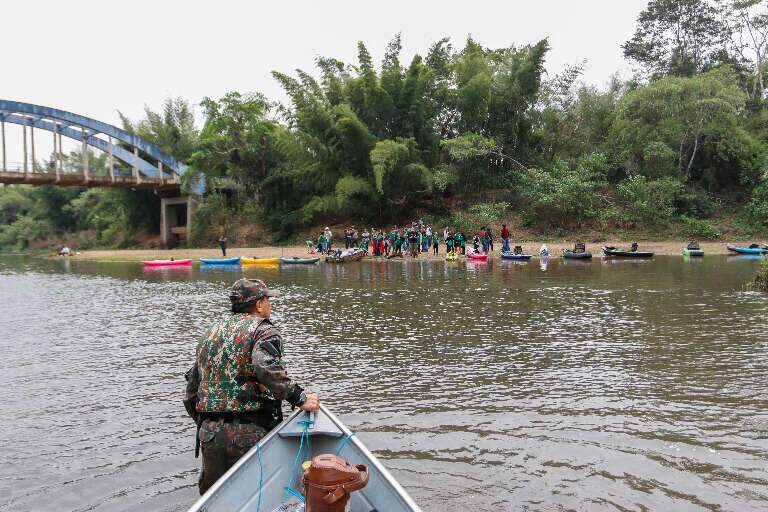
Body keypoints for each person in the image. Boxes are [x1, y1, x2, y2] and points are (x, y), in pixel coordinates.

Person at [184, 278, 320, 495]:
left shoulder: (210, 333)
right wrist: (299, 397)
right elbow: (263, 365)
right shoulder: (264, 330)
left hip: (209, 433)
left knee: (213, 498)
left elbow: (191, 390)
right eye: (267, 300)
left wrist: (206, 423)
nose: (269, 305)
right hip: (249, 432)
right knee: (254, 496)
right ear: (258, 304)